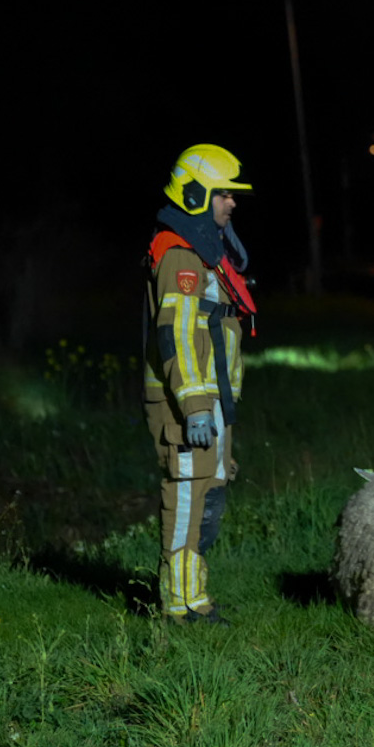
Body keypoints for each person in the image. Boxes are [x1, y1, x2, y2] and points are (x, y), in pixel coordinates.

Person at [143, 144, 258, 625]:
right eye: (223, 194)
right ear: (196, 194)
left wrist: (216, 409)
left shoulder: (206, 254)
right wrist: (192, 406)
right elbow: (178, 336)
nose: (232, 203)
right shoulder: (182, 257)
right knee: (187, 498)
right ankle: (176, 607)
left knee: (208, 497)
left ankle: (196, 600)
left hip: (210, 402)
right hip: (187, 403)